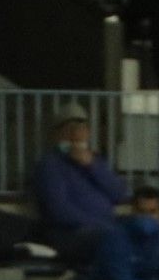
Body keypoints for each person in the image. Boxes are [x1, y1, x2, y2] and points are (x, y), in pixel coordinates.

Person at [29, 108, 129, 266]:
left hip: (105, 227)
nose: (76, 135)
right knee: (113, 238)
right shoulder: (50, 165)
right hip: (70, 234)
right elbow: (59, 211)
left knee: (149, 231)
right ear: (57, 135)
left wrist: (92, 166)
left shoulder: (96, 161)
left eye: (81, 129)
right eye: (69, 130)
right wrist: (101, 225)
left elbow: (119, 194)